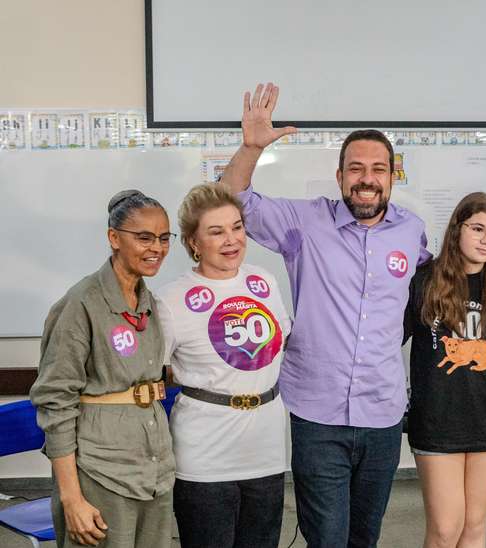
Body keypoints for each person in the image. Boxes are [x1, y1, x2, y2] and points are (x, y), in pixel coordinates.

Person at [219, 82, 430, 548]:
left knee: (364, 537)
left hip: (383, 412)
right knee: (327, 538)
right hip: (317, 412)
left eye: (378, 169)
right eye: (356, 168)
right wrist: (251, 147)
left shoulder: (412, 232)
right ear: (339, 178)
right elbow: (231, 201)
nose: (367, 178)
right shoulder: (305, 222)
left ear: (394, 176)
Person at [30, 190, 175, 548]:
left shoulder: (149, 302)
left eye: (163, 238)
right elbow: (55, 402)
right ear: (114, 238)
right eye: (143, 238)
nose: (156, 247)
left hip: (154, 466)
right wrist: (72, 499)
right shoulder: (81, 304)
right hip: (101, 471)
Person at [155, 184, 291, 548]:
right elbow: (152, 372)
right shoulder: (171, 300)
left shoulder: (264, 281)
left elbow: (282, 346)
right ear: (193, 242)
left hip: (266, 447)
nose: (231, 240)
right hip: (205, 454)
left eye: (237, 227)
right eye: (216, 232)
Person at [403, 192, 486, 548]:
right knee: (444, 529)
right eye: (478, 228)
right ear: (457, 229)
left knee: (474, 526)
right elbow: (385, 338)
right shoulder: (423, 280)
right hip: (437, 419)